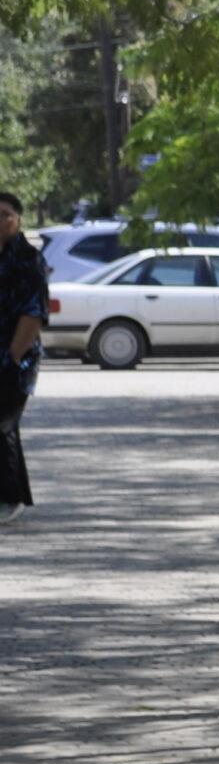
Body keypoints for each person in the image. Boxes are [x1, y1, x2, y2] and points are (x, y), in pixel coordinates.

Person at [0, 192, 46, 525]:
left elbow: (33, 313)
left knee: (3, 422)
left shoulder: (28, 259)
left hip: (17, 356)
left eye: (6, 215)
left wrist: (12, 359)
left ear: (18, 219)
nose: (0, 221)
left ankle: (11, 498)